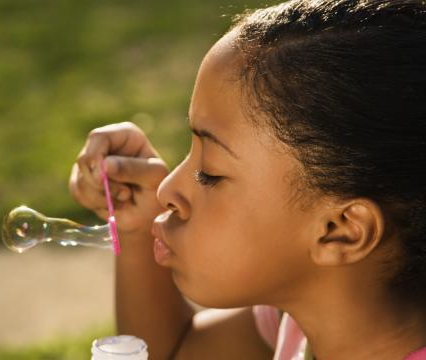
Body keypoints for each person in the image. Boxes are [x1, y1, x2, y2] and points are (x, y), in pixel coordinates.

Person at [68, 0, 426, 359]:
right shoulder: (297, 316)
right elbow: (172, 353)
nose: (165, 189)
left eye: (209, 173)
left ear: (340, 230)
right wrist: (138, 226)